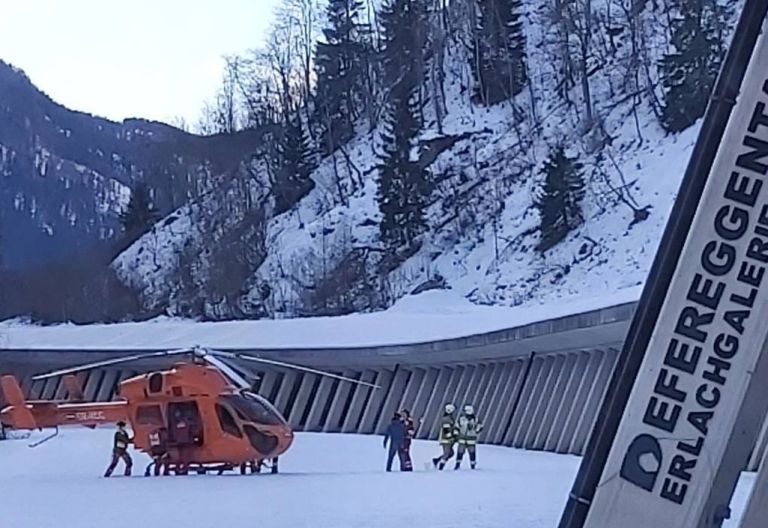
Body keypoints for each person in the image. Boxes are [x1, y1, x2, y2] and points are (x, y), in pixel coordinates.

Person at [455, 404, 483, 470]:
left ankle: (472, 465)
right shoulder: (462, 419)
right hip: (462, 438)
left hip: (471, 439)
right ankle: (457, 465)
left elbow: (480, 427)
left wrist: (476, 430)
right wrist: (456, 433)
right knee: (460, 452)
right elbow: (457, 426)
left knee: (472, 452)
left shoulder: (476, 420)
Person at [432, 403, 457, 470]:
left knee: (451, 453)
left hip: (448, 439)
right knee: (447, 453)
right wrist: (450, 437)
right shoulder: (447, 419)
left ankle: (437, 460)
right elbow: (446, 430)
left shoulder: (449, 418)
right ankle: (440, 467)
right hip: (446, 439)